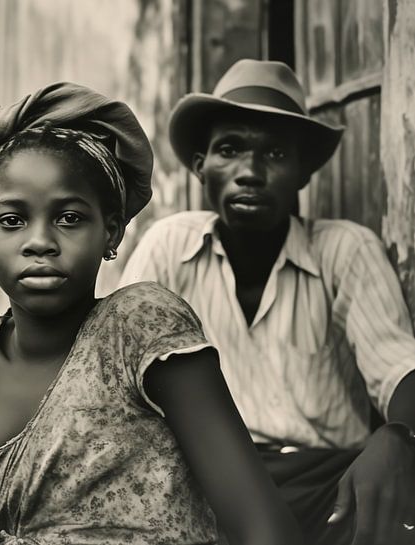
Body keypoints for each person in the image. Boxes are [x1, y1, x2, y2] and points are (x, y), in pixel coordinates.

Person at [0, 83, 302, 545]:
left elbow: (263, 528)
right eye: (12, 220)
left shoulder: (140, 328)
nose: (40, 242)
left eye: (70, 218)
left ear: (111, 231)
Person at [119, 59, 415, 545]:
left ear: (302, 173)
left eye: (275, 153)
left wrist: (400, 434)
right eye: (229, 149)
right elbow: (118, 373)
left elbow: (399, 366)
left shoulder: (345, 249)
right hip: (204, 485)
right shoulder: (168, 246)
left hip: (326, 487)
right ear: (201, 166)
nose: (250, 173)